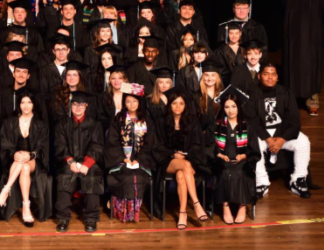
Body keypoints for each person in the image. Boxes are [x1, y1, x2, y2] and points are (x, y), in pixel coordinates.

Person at [248, 63, 313, 199]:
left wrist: (282, 139)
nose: (270, 77)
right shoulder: (253, 93)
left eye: (273, 74)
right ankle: (262, 182)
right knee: (254, 144)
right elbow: (251, 119)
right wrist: (269, 138)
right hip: (262, 135)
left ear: (277, 77)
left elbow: (295, 120)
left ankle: (298, 180)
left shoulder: (285, 92)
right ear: (259, 76)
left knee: (303, 141)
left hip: (282, 134)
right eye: (266, 74)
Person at [0, 90, 51, 226]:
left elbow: (43, 147)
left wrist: (31, 155)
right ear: (18, 104)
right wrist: (14, 154)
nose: (26, 106)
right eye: (23, 102)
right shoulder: (10, 123)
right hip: (15, 162)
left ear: (34, 104)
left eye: (29, 102)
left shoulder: (41, 124)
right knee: (23, 166)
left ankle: (5, 192)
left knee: (25, 163)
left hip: (35, 162)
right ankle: (26, 207)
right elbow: (5, 144)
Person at [282, 0, 324, 116]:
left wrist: (320, 37)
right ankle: (290, 101)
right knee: (291, 67)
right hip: (292, 40)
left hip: (312, 40)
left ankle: (312, 101)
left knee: (312, 69)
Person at [154, 89, 209, 230]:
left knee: (180, 175)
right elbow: (157, 145)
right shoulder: (161, 121)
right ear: (169, 105)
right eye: (174, 103)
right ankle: (196, 203)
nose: (178, 106)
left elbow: (197, 145)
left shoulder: (192, 122)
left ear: (186, 105)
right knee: (185, 166)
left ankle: (183, 213)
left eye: (181, 103)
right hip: (167, 160)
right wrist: (173, 154)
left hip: (188, 159)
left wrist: (185, 155)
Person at [54, 91, 104, 233]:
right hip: (69, 161)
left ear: (86, 106)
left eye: (81, 104)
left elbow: (97, 146)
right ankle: (63, 217)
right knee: (65, 175)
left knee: (92, 176)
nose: (78, 107)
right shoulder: (62, 124)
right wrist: (71, 162)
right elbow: (60, 145)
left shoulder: (94, 124)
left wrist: (87, 164)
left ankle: (91, 218)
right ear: (71, 106)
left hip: (89, 162)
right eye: (75, 104)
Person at [105, 90, 155, 223]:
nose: (131, 104)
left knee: (137, 175)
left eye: (134, 101)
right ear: (124, 103)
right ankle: (122, 212)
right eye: (128, 101)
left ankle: (132, 212)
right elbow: (112, 142)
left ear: (139, 102)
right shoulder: (118, 119)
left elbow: (150, 143)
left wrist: (139, 159)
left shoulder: (147, 120)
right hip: (121, 160)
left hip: (142, 161)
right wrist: (123, 158)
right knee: (126, 174)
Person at [212, 87, 260, 224]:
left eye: (233, 106)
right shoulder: (217, 125)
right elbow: (210, 147)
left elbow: (254, 150)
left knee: (241, 171)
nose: (230, 110)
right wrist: (220, 156)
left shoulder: (248, 126)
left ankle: (242, 205)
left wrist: (243, 156)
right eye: (227, 107)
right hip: (222, 160)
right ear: (223, 108)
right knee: (225, 171)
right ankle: (225, 205)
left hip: (243, 161)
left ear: (239, 107)